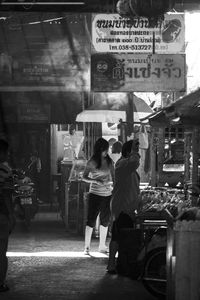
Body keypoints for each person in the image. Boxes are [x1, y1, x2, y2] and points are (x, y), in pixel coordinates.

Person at [107, 139, 140, 274]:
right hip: (122, 207)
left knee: (122, 237)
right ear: (128, 152)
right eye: (134, 151)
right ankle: (111, 264)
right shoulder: (122, 164)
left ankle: (121, 264)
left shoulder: (126, 165)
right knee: (117, 236)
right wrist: (134, 151)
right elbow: (134, 162)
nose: (138, 154)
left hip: (127, 207)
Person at [82, 137, 114, 255]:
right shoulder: (92, 162)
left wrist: (112, 187)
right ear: (100, 149)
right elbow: (84, 177)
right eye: (105, 150)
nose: (107, 152)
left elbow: (114, 177)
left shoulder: (110, 162)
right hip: (95, 194)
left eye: (107, 150)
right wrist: (96, 181)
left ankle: (102, 246)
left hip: (107, 194)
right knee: (91, 219)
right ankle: (87, 247)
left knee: (105, 220)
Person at [0, 139, 15, 292]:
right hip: (1, 214)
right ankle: (0, 283)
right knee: (1, 251)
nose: (8, 154)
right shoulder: (5, 170)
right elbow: (6, 195)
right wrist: (11, 215)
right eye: (6, 152)